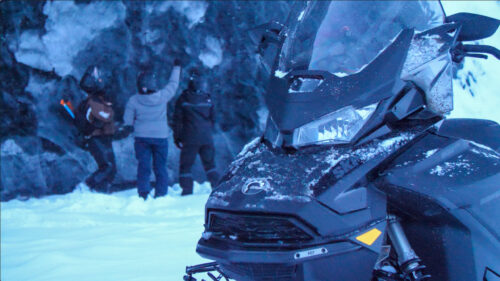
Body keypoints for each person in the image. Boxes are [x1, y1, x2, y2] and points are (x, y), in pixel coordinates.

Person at [123, 60, 182, 200]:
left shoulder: (133, 100)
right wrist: (177, 68)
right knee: (160, 167)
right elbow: (173, 84)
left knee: (144, 166)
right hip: (161, 137)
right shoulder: (163, 96)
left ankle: (143, 193)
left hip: (141, 138)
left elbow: (127, 121)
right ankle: (161, 194)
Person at [172, 68, 219, 196]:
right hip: (206, 137)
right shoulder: (207, 98)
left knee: (186, 166)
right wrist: (207, 131)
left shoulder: (183, 99)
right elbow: (214, 118)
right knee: (210, 165)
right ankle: (217, 188)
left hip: (190, 137)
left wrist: (177, 137)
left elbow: (177, 120)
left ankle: (187, 191)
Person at [74, 65, 117, 193]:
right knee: (107, 166)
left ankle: (100, 190)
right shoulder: (94, 102)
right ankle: (86, 186)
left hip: (101, 137)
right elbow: (106, 116)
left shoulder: (95, 101)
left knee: (110, 168)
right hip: (97, 138)